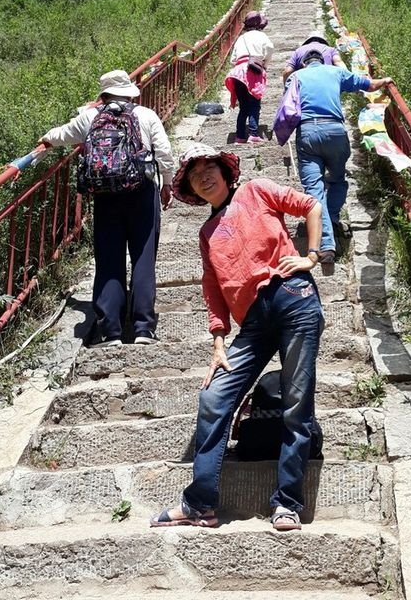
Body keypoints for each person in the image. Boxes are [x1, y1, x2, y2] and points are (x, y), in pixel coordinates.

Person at [150, 143, 324, 531]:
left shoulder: (256, 190)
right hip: (254, 324)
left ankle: (287, 503)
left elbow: (310, 204)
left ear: (226, 171)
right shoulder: (207, 232)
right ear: (192, 191)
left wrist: (311, 256)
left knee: (296, 404)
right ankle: (200, 504)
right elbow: (212, 286)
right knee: (214, 397)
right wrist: (217, 339)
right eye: (195, 177)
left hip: (293, 298)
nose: (204, 177)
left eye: (209, 168)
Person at [39, 70, 175, 347]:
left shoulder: (91, 117)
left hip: (105, 194)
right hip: (142, 190)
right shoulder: (145, 115)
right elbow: (164, 152)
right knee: (143, 258)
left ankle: (110, 330)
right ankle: (142, 329)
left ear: (103, 94)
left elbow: (61, 134)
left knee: (109, 260)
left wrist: (44, 140)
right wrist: (167, 184)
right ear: (129, 93)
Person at [290, 51, 391, 261]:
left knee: (313, 189)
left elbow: (288, 106)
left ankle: (326, 246)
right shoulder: (335, 72)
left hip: (307, 132)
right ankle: (332, 218)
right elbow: (369, 85)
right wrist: (385, 81)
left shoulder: (296, 76)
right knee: (337, 180)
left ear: (304, 63)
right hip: (335, 131)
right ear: (323, 60)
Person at [225, 11, 274, 145]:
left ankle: (240, 136)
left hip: (238, 73)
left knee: (243, 106)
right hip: (253, 70)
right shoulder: (262, 36)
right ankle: (253, 133)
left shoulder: (241, 38)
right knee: (254, 103)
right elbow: (270, 48)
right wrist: (264, 64)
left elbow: (233, 59)